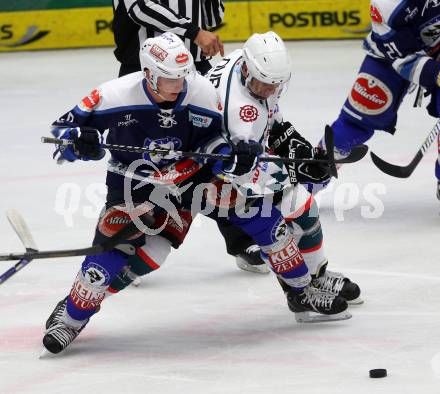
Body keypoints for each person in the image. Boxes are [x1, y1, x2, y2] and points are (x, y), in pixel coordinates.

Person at [42, 33, 351, 355]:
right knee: (113, 253)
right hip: (135, 181)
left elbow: (216, 141)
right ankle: (72, 318)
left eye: (183, 77)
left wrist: (232, 155)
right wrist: (79, 142)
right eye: (169, 79)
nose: (179, 86)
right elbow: (59, 135)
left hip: (194, 177)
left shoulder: (201, 90)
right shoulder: (113, 95)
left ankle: (301, 292)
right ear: (148, 74)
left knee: (266, 221)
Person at [205, 31, 362, 307]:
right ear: (247, 71)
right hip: (217, 175)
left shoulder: (250, 66)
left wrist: (297, 148)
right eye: (265, 85)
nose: (270, 90)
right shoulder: (240, 115)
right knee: (294, 207)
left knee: (299, 206)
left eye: (275, 85)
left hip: (234, 159)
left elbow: (273, 122)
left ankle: (315, 276)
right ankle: (304, 288)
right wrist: (295, 170)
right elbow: (242, 171)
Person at [324, 0, 440, 198]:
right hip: (390, 56)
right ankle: (310, 177)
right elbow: (402, 57)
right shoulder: (388, 4)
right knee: (356, 122)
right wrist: (435, 73)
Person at [112, 0, 224, 76]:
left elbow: (213, 19)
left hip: (195, 67)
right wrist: (194, 32)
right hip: (144, 70)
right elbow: (140, 8)